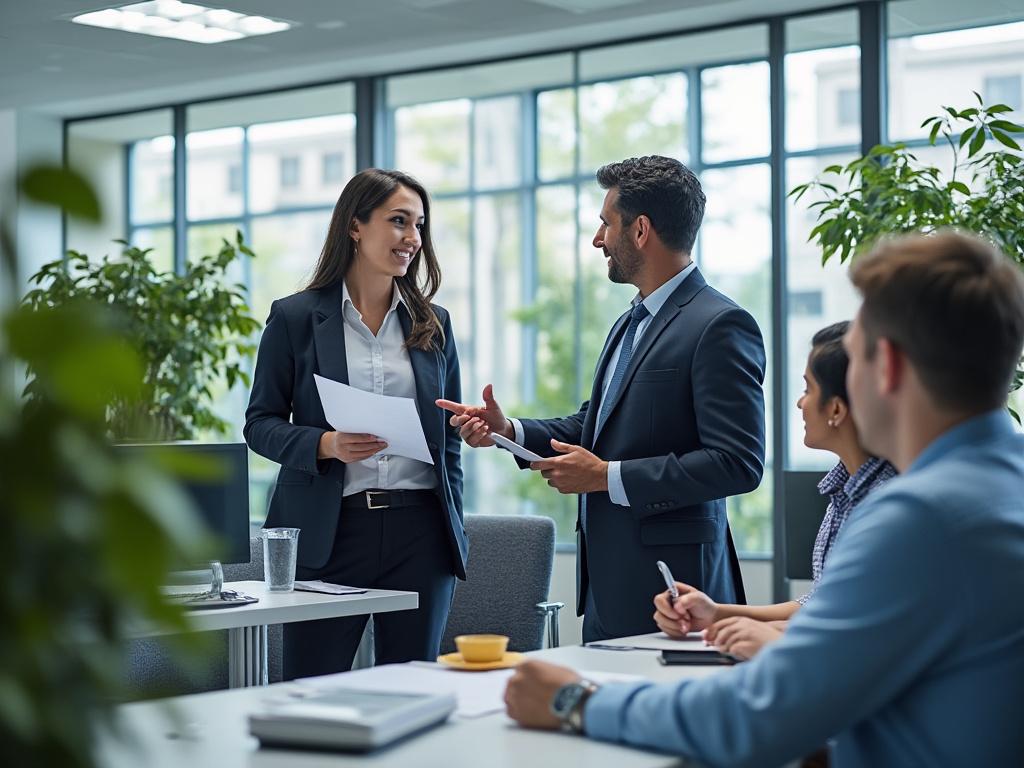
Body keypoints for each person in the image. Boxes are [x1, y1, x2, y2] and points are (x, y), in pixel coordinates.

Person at [503, 230, 1024, 766]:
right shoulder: (1003, 483)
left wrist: (574, 700)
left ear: (886, 366)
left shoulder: (921, 518)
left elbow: (757, 717)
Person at [438, 155, 766, 642]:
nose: (597, 240)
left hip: (677, 590)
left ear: (640, 231)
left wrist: (606, 477)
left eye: (605, 224)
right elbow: (597, 425)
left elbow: (738, 462)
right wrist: (509, 432)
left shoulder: (720, 324)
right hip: (607, 588)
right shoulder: (629, 322)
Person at [243, 169, 465, 680]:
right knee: (312, 689)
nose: (413, 238)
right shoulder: (296, 317)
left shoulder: (434, 322)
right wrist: (325, 443)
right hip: (330, 531)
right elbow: (259, 424)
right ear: (355, 226)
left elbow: (446, 439)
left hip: (421, 533)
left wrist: (453, 530)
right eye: (398, 222)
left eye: (419, 225)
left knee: (413, 690)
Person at [654, 321, 897, 660]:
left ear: (837, 409)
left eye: (808, 390)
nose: (800, 403)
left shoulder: (890, 506)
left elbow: (863, 630)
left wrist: (771, 638)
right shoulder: (844, 493)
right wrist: (716, 614)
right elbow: (819, 607)